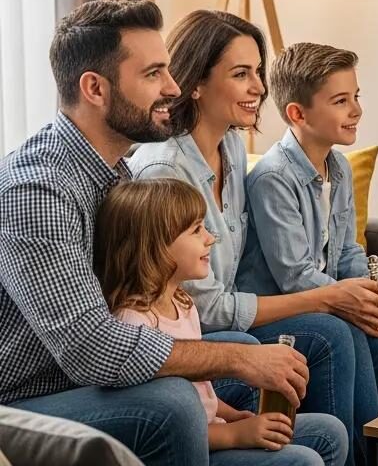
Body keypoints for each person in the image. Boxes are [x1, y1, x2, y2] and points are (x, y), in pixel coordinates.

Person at [0, 0, 312, 466]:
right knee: (175, 400)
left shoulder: (116, 175)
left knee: (275, 390)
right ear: (95, 89)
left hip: (91, 384)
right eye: (153, 74)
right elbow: (91, 347)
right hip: (30, 402)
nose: (172, 87)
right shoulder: (39, 191)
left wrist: (243, 357)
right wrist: (236, 362)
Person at [129, 10, 378, 466]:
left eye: (257, 71)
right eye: (242, 74)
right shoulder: (166, 171)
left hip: (237, 315)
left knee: (358, 324)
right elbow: (206, 308)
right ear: (195, 83)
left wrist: (368, 296)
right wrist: (327, 298)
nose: (259, 88)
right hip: (193, 337)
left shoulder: (233, 147)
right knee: (333, 332)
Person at [239, 43, 378, 466]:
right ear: (298, 114)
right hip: (290, 308)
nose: (356, 110)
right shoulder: (273, 179)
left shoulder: (338, 167)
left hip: (334, 296)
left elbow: (350, 253)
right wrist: (375, 313)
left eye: (356, 97)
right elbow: (296, 277)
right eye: (340, 101)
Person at [95, 179, 347, 465]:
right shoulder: (133, 323)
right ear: (156, 246)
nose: (210, 238)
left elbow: (202, 394)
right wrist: (236, 435)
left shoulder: (183, 304)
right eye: (196, 230)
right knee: (303, 461)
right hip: (192, 445)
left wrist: (231, 415)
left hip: (215, 428)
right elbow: (160, 425)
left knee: (330, 432)